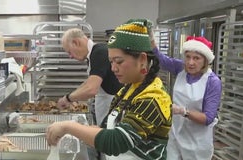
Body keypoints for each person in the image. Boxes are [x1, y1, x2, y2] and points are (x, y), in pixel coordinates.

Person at [46, 19, 172, 160]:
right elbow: (106, 130)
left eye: (119, 61)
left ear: (142, 59)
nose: (113, 68)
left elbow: (116, 141)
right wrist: (76, 132)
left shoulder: (154, 97)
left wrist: (69, 126)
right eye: (111, 62)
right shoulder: (125, 91)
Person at [150, 34, 222, 159]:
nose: (190, 62)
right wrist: (151, 39)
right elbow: (160, 59)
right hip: (176, 135)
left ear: (205, 60)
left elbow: (208, 118)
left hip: (197, 141)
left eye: (196, 58)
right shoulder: (181, 68)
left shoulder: (212, 82)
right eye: (188, 57)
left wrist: (183, 111)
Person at [57, 28, 123, 126]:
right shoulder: (93, 54)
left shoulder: (99, 53)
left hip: (112, 113)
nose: (70, 56)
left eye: (69, 52)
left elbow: (91, 89)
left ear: (76, 42)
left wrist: (68, 99)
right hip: (107, 112)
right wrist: (70, 96)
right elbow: (88, 83)